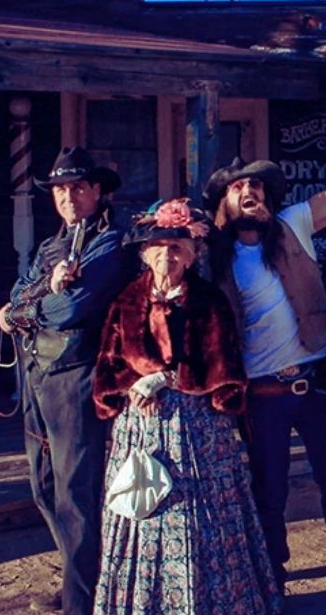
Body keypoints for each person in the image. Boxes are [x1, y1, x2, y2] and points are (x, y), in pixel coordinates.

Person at [201, 92, 326, 596]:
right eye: (239, 187)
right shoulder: (213, 253)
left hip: (313, 384)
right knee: (268, 493)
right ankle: (273, 578)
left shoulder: (291, 225)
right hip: (261, 393)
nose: (250, 191)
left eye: (256, 185)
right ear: (225, 203)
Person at [90, 198, 281, 615]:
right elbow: (108, 362)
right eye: (159, 246)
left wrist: (169, 378)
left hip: (195, 427)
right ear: (144, 252)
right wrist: (134, 383)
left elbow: (224, 365)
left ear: (192, 254)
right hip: (141, 425)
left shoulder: (209, 300)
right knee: (143, 510)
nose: (167, 255)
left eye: (177, 247)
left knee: (199, 516)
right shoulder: (126, 300)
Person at [0, 149, 133, 615]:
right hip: (36, 374)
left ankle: (82, 601)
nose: (69, 196)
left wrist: (26, 309)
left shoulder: (109, 243)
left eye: (77, 187)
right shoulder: (50, 248)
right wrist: (38, 294)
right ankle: (81, 580)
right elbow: (17, 296)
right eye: (60, 189)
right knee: (44, 483)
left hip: (77, 375)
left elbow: (72, 309)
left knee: (76, 489)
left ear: (96, 191)